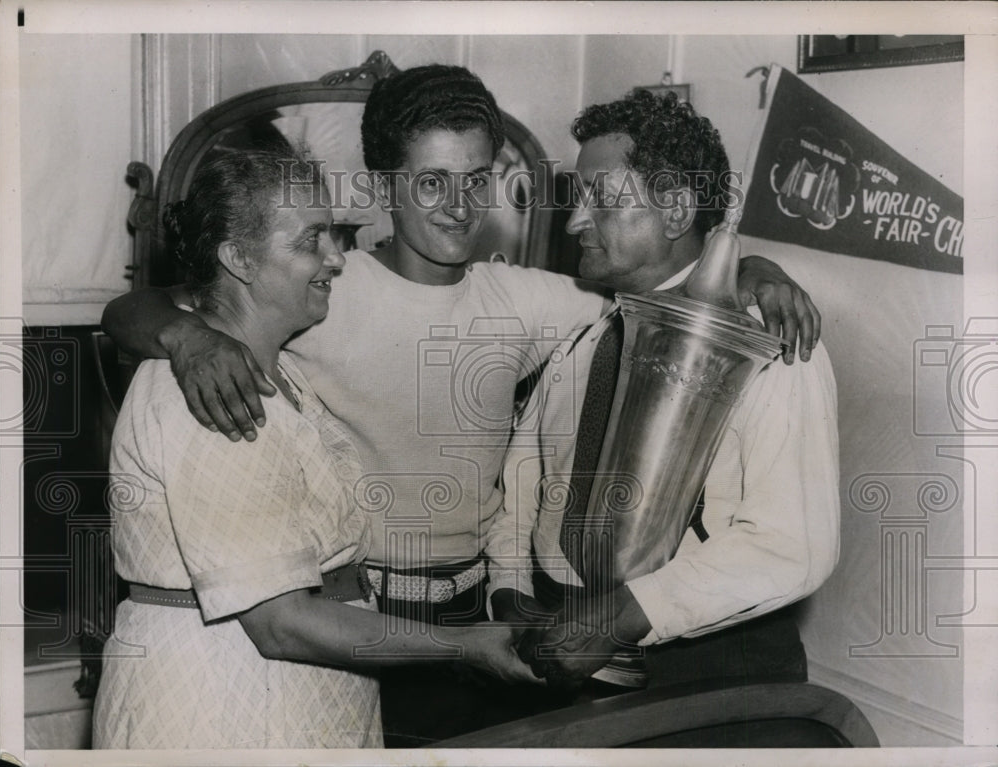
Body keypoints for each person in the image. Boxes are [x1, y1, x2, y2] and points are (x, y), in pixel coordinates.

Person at [101, 65, 821, 745]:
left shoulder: (534, 301)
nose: (459, 205)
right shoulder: (319, 287)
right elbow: (133, 308)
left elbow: (668, 281)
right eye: (432, 182)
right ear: (386, 184)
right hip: (353, 614)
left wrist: (749, 268)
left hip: (483, 618)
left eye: (476, 181)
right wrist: (184, 337)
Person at [92, 150, 535, 750]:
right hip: (223, 707)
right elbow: (279, 623)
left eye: (333, 233)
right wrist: (469, 645)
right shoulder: (210, 394)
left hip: (297, 703)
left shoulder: (281, 371)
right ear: (239, 259)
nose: (336, 257)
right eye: (310, 240)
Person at [487, 89, 840, 705]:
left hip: (710, 673)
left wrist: (622, 617)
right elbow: (521, 488)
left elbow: (793, 545)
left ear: (676, 209)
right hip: (566, 655)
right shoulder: (585, 338)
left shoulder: (767, 341)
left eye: (601, 201)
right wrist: (512, 600)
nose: (573, 223)